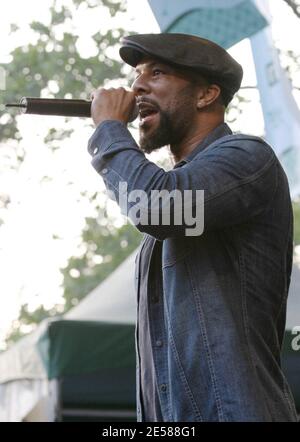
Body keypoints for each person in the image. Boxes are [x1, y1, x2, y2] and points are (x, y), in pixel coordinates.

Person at [88, 33, 298, 422]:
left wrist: (108, 130)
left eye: (158, 72)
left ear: (206, 95)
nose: (136, 87)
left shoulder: (247, 158)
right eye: (137, 74)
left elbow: (156, 207)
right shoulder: (178, 188)